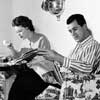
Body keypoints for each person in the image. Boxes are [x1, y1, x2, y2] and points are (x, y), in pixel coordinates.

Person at [37, 14, 100, 99]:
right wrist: (52, 63)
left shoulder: (92, 45)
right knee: (43, 95)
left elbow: (87, 69)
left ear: (84, 27)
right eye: (70, 31)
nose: (73, 34)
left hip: (84, 90)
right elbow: (68, 66)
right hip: (70, 86)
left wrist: (58, 57)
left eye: (75, 29)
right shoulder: (77, 48)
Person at [4, 16, 60, 100]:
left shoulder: (41, 38)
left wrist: (30, 61)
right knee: (17, 84)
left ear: (27, 28)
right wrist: (11, 47)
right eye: (16, 32)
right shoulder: (24, 42)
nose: (18, 34)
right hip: (29, 74)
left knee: (19, 85)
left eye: (20, 31)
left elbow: (47, 59)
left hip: (42, 75)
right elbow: (18, 58)